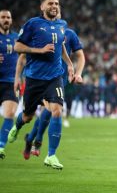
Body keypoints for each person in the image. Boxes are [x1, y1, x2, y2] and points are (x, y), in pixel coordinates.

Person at [8, 0, 75, 170]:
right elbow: (17, 47)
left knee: (57, 111)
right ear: (42, 7)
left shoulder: (62, 25)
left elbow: (60, 47)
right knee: (28, 117)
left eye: (57, 3)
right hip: (34, 79)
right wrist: (39, 50)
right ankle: (18, 125)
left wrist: (69, 64)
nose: (54, 6)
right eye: (50, 3)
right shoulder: (33, 24)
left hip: (54, 78)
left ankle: (51, 155)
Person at [19, 12, 85, 159]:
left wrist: (77, 71)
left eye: (58, 9)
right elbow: (23, 53)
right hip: (41, 77)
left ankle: (33, 140)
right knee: (46, 111)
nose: (55, 13)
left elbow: (80, 55)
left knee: (51, 111)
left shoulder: (69, 33)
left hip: (60, 78)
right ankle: (35, 140)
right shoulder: (40, 30)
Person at [0, 10, 19, 159]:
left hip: (10, 82)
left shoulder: (16, 38)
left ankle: (0, 146)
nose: (6, 20)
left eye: (8, 17)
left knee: (10, 114)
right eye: (3, 17)